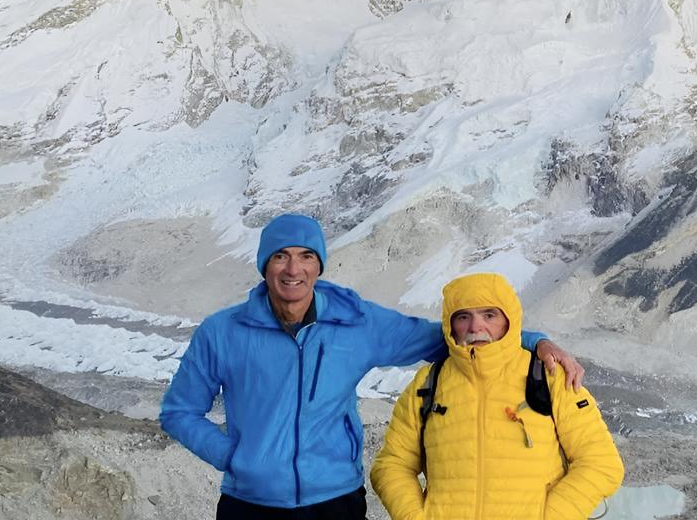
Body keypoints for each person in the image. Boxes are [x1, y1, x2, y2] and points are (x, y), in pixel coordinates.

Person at [160, 214, 583, 519]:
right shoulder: (222, 332)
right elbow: (179, 412)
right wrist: (235, 458)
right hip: (249, 504)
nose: (294, 269)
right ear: (264, 266)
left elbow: (453, 336)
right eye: (280, 257)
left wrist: (533, 340)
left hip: (336, 502)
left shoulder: (356, 323)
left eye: (307, 256)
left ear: (319, 265)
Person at [370, 273, 623, 520]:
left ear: (509, 320)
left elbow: (601, 463)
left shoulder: (551, 376)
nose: (475, 327)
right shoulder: (426, 384)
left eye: (489, 315)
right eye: (462, 317)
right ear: (450, 325)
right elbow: (392, 465)